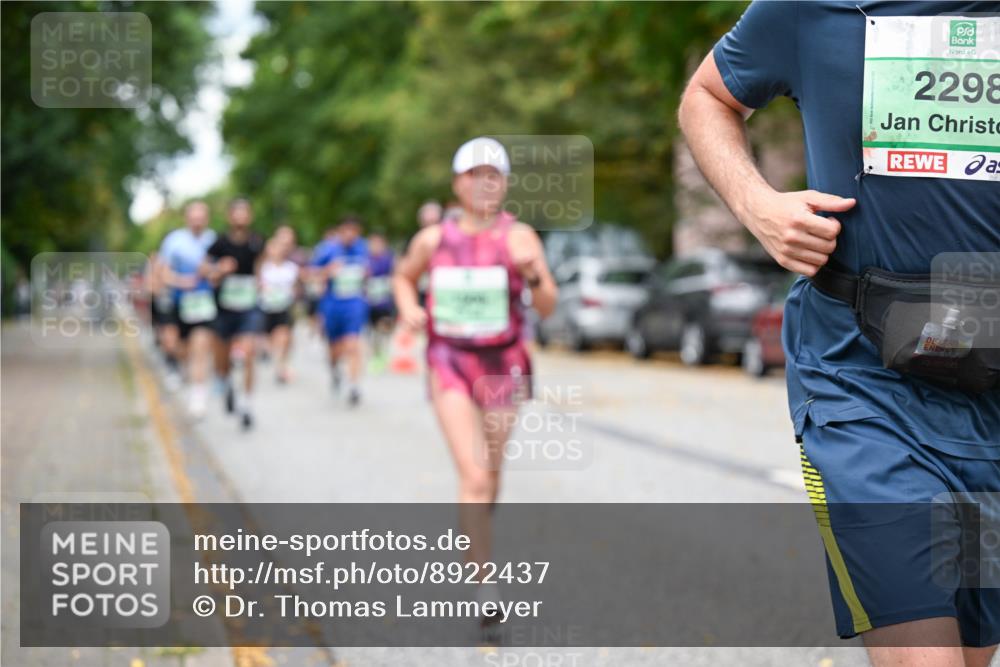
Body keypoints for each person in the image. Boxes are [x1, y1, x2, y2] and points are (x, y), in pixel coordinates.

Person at [679, 3, 999, 665]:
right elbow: (708, 95)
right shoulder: (811, 5)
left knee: (974, 653)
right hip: (861, 379)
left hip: (991, 386)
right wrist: (756, 204)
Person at [393, 137, 557, 621]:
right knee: (475, 473)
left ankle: (476, 523)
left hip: (503, 362)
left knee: (491, 472)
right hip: (449, 360)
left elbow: (547, 306)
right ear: (457, 183)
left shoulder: (521, 237)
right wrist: (407, 309)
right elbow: (403, 277)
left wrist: (533, 278)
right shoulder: (433, 239)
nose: (483, 183)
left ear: (504, 184)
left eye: (493, 175)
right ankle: (484, 586)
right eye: (473, 174)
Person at [201, 197, 265, 430]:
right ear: (230, 216)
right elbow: (203, 268)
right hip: (224, 308)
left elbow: (261, 267)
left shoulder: (257, 241)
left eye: (244, 212)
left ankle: (247, 405)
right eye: (236, 212)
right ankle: (226, 382)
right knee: (222, 360)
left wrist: (261, 281)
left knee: (248, 353)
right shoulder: (219, 242)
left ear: (249, 216)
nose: (240, 217)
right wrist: (219, 269)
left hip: (248, 307)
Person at [156, 201, 218, 415]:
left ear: (207, 218)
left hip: (204, 304)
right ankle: (183, 369)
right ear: (187, 218)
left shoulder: (214, 241)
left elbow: (220, 273)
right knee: (178, 347)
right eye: (194, 217)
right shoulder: (174, 241)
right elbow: (162, 273)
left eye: (201, 217)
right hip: (178, 302)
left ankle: (198, 395)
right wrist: (183, 281)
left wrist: (211, 272)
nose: (197, 221)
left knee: (200, 348)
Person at [311, 216, 370, 406]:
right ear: (340, 231)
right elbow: (309, 273)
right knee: (335, 349)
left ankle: (353, 386)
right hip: (332, 305)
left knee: (353, 344)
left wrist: (366, 274)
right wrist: (328, 271)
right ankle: (335, 369)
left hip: (354, 303)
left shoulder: (363, 248)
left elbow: (370, 272)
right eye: (346, 231)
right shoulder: (327, 249)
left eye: (354, 231)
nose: (350, 235)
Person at [258, 234, 299, 384]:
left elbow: (297, 286)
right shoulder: (261, 268)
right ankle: (273, 357)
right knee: (270, 340)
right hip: (265, 308)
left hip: (284, 308)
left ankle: (281, 367)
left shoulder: (291, 268)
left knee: (283, 337)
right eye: (273, 248)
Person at [365, 232, 395, 371]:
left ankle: (383, 353)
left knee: (384, 327)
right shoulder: (366, 259)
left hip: (385, 300)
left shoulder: (388, 259)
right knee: (372, 331)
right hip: (370, 301)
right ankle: (375, 354)